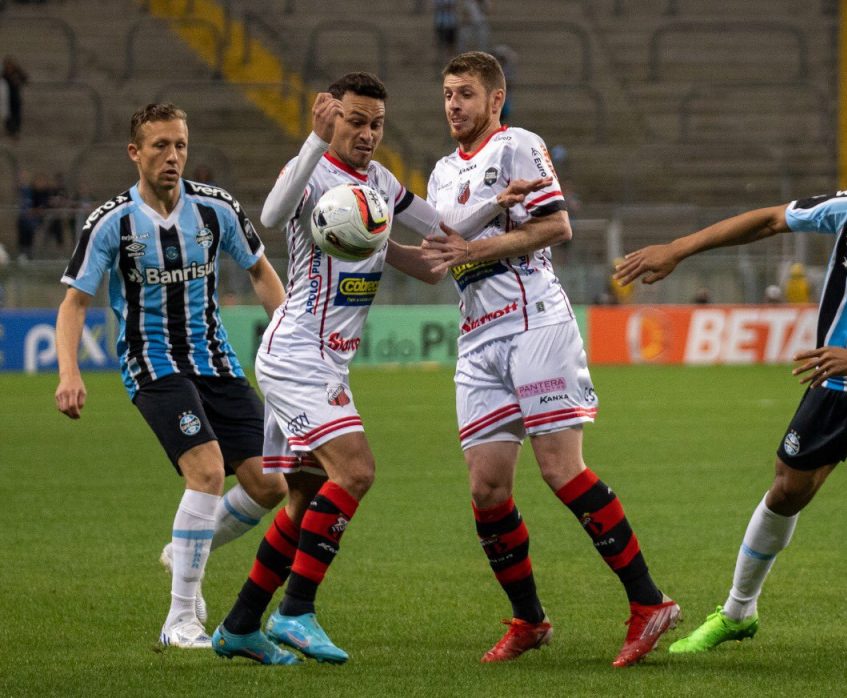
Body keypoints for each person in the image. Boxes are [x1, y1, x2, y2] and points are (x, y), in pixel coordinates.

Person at [210, 71, 547, 665]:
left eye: (376, 124)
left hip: (328, 364)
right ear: (331, 116)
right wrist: (311, 142)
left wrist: (496, 206)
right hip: (295, 355)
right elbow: (270, 214)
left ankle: (240, 626)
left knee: (304, 496)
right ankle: (296, 613)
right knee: (357, 472)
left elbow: (437, 240)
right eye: (356, 121)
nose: (367, 134)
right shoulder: (311, 172)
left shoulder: (384, 183)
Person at [615, 124, 847, 660]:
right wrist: (679, 249)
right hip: (836, 374)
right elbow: (767, 220)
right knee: (786, 492)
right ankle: (738, 612)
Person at [422, 52, 679, 668]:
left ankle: (650, 604)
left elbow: (555, 226)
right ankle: (530, 621)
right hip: (477, 336)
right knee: (486, 490)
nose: (454, 104)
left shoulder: (518, 145)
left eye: (466, 94)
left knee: (562, 470)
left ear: (495, 97)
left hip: (534, 319)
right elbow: (442, 250)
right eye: (448, 94)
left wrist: (470, 248)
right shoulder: (437, 173)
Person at [55, 103, 289, 649]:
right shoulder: (111, 222)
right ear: (135, 152)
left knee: (270, 484)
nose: (173, 157)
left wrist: (289, 340)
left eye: (180, 145)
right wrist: (70, 373)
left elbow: (259, 270)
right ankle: (181, 617)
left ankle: (182, 545)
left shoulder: (215, 209)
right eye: (160, 146)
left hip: (216, 361)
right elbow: (74, 303)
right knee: (206, 472)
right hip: (153, 364)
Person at [2, 55, 28, 138]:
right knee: (8, 114)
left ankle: (16, 129)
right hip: (6, 98)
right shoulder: (4, 74)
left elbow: (25, 78)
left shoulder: (17, 71)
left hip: (15, 97)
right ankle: (10, 130)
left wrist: (18, 80)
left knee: (16, 113)